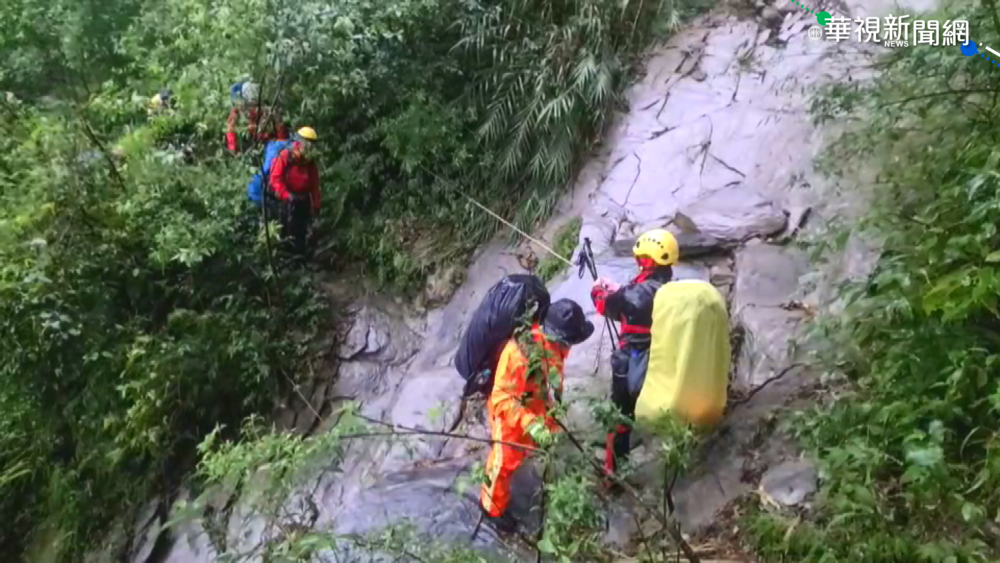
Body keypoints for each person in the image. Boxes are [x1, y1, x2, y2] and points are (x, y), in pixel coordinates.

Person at [479, 299, 594, 534]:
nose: (570, 347)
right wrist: (530, 423)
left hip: (539, 403)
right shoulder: (517, 354)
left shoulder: (555, 345)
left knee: (544, 444)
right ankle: (491, 508)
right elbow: (502, 398)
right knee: (503, 462)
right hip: (511, 413)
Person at [590, 228, 679, 480]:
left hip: (632, 359)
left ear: (649, 260)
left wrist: (600, 289)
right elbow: (627, 305)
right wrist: (618, 290)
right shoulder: (666, 286)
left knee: (619, 415)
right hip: (656, 354)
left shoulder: (639, 293)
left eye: (641, 258)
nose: (637, 261)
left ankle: (613, 471)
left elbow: (604, 304)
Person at [268, 126, 320, 258]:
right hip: (286, 199)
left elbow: (314, 185)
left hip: (303, 198)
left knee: (301, 230)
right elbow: (275, 179)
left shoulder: (310, 162)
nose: (309, 148)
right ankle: (285, 255)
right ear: (298, 142)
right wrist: (287, 195)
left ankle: (300, 256)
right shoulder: (285, 156)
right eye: (307, 144)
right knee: (286, 228)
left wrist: (316, 205)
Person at [226, 81, 289, 154]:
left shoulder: (269, 111)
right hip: (251, 148)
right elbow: (231, 131)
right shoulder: (237, 112)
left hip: (270, 146)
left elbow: (281, 135)